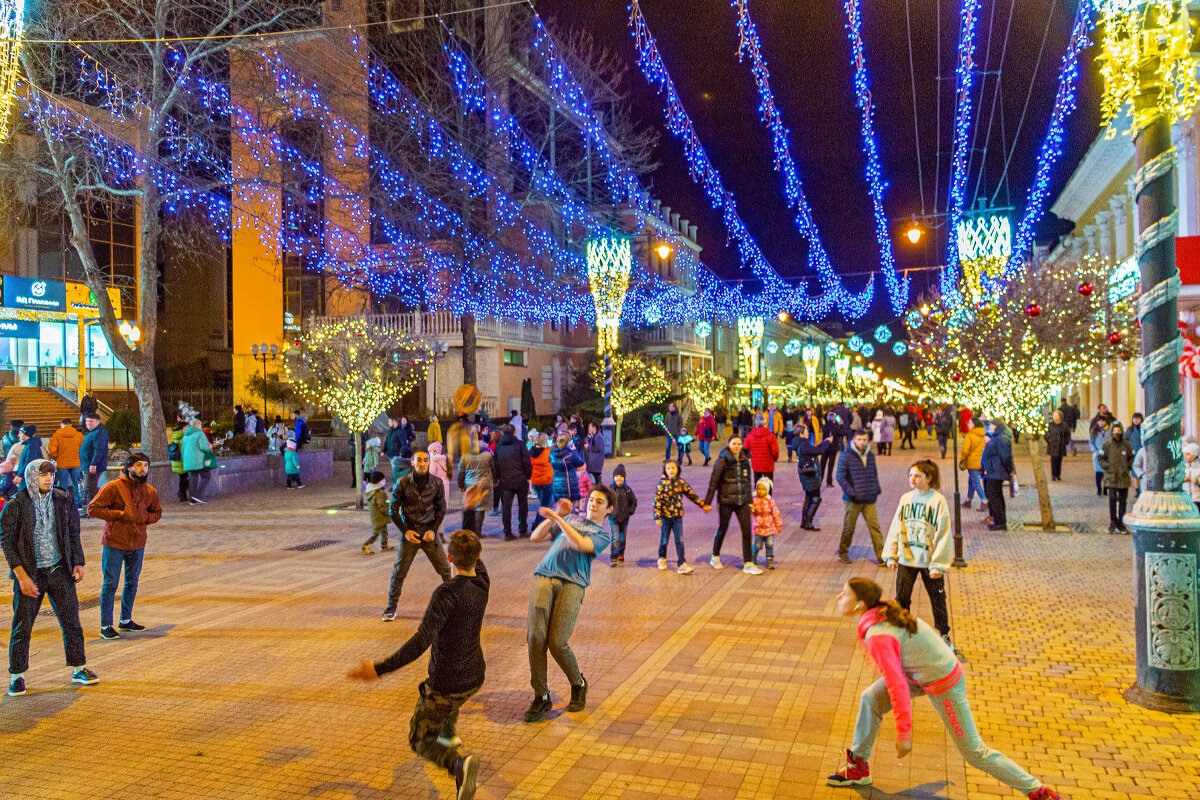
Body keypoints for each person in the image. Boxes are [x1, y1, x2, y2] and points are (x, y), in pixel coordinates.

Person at [825, 579, 1062, 800]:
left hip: (943, 682)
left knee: (974, 752)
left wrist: (904, 734)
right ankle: (858, 767)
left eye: (845, 594)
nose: (839, 597)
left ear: (860, 604)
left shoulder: (877, 634)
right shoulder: (876, 615)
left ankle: (1038, 791)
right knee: (870, 698)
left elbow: (896, 685)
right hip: (921, 674)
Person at [347, 528, 488, 800]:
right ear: (479, 556)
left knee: (419, 739)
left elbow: (421, 641)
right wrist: (469, 512)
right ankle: (449, 734)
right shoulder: (483, 582)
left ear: (448, 558)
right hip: (475, 676)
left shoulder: (447, 594)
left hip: (447, 684)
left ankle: (458, 764)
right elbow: (473, 556)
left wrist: (378, 669)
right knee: (450, 704)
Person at [2, 459, 98, 696]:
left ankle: (79, 668)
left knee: (72, 622)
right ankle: (17, 675)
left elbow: (73, 532)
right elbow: (7, 543)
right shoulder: (16, 504)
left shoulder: (63, 500)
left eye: (51, 474)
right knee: (22, 626)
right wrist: (21, 576)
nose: (48, 478)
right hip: (30, 575)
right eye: (43, 474)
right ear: (31, 476)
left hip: (59, 571)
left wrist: (78, 561)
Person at [524, 489, 615, 723]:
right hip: (545, 575)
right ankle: (541, 696)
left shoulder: (602, 535)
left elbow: (579, 544)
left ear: (609, 510)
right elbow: (536, 537)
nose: (593, 505)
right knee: (536, 636)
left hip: (573, 583)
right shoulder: (571, 519)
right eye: (591, 500)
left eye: (600, 502)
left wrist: (558, 519)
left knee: (557, 641)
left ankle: (578, 683)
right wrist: (556, 515)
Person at [87, 452, 162, 639]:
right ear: (129, 467)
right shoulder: (114, 487)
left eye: (145, 465)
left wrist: (145, 518)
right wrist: (118, 515)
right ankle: (106, 625)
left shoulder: (150, 491)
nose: (142, 469)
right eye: (138, 465)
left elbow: (157, 513)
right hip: (115, 542)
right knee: (111, 583)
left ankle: (126, 620)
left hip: (137, 543)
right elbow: (92, 509)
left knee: (132, 582)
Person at [883, 460, 952, 647]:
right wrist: (891, 554)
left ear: (929, 478)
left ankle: (944, 633)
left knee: (937, 598)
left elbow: (943, 533)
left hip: (929, 561)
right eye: (910, 475)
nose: (912, 479)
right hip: (907, 558)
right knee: (902, 598)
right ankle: (900, 630)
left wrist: (939, 564)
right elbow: (896, 526)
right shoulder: (906, 499)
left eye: (917, 475)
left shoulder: (938, 501)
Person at [382, 450, 452, 621]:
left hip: (429, 533)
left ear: (429, 462)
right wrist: (405, 531)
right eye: (419, 460)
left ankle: (453, 604)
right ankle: (391, 607)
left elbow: (441, 509)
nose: (422, 463)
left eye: (425, 460)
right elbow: (393, 510)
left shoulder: (436, 483)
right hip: (411, 533)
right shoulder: (403, 483)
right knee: (400, 571)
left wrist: (433, 530)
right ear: (412, 462)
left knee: (445, 570)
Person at [703, 435, 761, 575]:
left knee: (747, 531)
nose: (736, 446)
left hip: (742, 502)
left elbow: (748, 483)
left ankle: (748, 563)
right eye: (734, 443)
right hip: (726, 501)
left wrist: (750, 502)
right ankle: (715, 556)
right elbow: (714, 482)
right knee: (723, 528)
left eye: (739, 444)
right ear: (728, 444)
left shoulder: (745, 460)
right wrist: (707, 503)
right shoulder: (722, 461)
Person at [835, 429, 884, 565]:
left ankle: (881, 557)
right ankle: (843, 552)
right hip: (853, 500)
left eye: (864, 440)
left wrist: (876, 488)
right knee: (849, 527)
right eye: (859, 439)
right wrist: (851, 492)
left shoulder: (871, 455)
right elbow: (840, 477)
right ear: (854, 440)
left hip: (869, 498)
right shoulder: (846, 455)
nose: (862, 442)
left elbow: (873, 473)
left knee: (875, 528)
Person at [653, 460, 707, 574]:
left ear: (677, 469)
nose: (671, 470)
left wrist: (703, 504)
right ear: (665, 470)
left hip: (677, 517)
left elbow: (692, 495)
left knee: (680, 541)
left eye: (673, 468)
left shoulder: (681, 482)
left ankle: (681, 563)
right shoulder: (662, 484)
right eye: (668, 468)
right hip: (665, 517)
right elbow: (657, 501)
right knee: (664, 540)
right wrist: (657, 517)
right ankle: (661, 558)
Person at [494, 425, 532, 541]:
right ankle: (523, 530)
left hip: (506, 481)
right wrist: (527, 475)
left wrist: (499, 477)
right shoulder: (520, 444)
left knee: (506, 506)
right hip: (520, 479)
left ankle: (507, 532)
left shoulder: (498, 447)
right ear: (514, 432)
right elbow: (526, 461)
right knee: (522, 505)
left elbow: (496, 464)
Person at [458, 432, 496, 537]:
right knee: (481, 508)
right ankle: (478, 531)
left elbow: (461, 471)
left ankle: (471, 531)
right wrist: (496, 480)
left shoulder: (465, 455)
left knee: (470, 506)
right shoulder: (488, 454)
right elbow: (493, 468)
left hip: (470, 483)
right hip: (484, 483)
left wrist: (460, 484)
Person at [795, 423, 832, 531]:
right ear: (801, 433)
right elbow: (818, 451)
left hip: (806, 474)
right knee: (815, 498)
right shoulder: (803, 444)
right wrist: (828, 443)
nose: (808, 432)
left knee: (809, 497)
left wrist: (824, 442)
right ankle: (808, 522)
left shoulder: (802, 443)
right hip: (810, 475)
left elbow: (815, 449)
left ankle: (804, 521)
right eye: (806, 431)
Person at [1099, 421, 1134, 534]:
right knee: (1112, 499)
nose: (1116, 432)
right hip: (1111, 477)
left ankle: (1121, 522)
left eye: (1118, 431)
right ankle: (1113, 522)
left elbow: (1131, 457)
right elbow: (1101, 458)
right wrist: (1107, 466)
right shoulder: (1107, 445)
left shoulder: (1126, 444)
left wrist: (1128, 466)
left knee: (1123, 501)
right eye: (1114, 430)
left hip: (1123, 476)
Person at [981, 421, 1015, 531]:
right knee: (996, 496)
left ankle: (1000, 522)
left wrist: (1010, 470)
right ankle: (999, 521)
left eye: (991, 425)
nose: (989, 426)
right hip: (993, 471)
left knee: (994, 496)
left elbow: (1006, 456)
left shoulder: (1001, 438)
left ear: (996, 426)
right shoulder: (998, 436)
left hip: (996, 471)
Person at [48, 419, 84, 505]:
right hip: (76, 463)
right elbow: (83, 449)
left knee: (63, 485)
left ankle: (62, 502)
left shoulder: (56, 435)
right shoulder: (79, 435)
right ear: (71, 425)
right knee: (76, 484)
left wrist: (57, 458)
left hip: (62, 464)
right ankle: (77, 502)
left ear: (61, 424)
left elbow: (52, 450)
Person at [750, 477, 782, 570]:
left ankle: (769, 559)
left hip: (769, 528)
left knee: (770, 544)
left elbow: (776, 513)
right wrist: (752, 510)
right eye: (759, 488)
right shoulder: (754, 501)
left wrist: (778, 525)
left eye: (763, 489)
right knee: (757, 545)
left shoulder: (770, 501)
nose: (760, 491)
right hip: (759, 528)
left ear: (767, 490)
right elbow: (751, 512)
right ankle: (752, 557)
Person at [608, 464, 637, 567]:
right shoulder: (610, 489)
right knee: (615, 538)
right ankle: (613, 557)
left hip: (624, 518)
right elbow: (606, 502)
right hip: (614, 518)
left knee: (622, 538)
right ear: (613, 478)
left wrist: (630, 511)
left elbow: (633, 501)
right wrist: (608, 512)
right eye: (616, 477)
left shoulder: (627, 490)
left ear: (624, 478)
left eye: (621, 477)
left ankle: (621, 553)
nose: (618, 479)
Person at [79, 414, 110, 506]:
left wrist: (94, 464)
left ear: (97, 421)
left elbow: (99, 449)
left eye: (91, 421)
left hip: (92, 466)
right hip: (87, 465)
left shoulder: (99, 433)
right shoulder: (91, 433)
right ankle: (91, 507)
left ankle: (103, 502)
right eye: (87, 421)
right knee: (88, 487)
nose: (89, 423)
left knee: (90, 487)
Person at [182, 419, 215, 503]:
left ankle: (192, 499)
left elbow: (183, 449)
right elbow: (204, 447)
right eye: (200, 425)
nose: (201, 427)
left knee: (193, 479)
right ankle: (197, 496)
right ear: (197, 425)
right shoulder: (200, 434)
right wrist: (210, 447)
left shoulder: (186, 435)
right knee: (206, 476)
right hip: (198, 460)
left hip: (188, 460)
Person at [958, 416, 986, 510]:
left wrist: (962, 459)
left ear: (974, 424)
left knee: (975, 482)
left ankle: (984, 500)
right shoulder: (983, 434)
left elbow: (965, 450)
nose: (968, 424)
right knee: (971, 481)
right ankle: (968, 499)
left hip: (972, 462)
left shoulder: (970, 435)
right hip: (980, 461)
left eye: (969, 423)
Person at [745, 414, 779, 489]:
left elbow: (746, 449)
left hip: (756, 464)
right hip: (768, 464)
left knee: (757, 485)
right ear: (765, 423)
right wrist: (774, 459)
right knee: (768, 485)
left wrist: (752, 456)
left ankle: (757, 500)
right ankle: (768, 499)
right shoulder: (770, 435)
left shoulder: (749, 435)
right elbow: (775, 450)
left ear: (755, 423)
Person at [362, 471, 393, 553]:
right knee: (376, 533)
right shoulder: (378, 493)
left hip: (376, 515)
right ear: (379, 481)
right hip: (379, 515)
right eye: (383, 479)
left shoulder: (371, 490)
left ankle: (384, 546)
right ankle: (366, 545)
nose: (384, 481)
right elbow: (381, 505)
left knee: (384, 531)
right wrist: (388, 513)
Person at [549, 434, 584, 505]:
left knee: (561, 507)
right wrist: (575, 451)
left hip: (557, 484)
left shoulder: (552, 454)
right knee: (568, 508)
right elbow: (581, 462)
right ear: (568, 442)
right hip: (568, 485)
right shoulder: (570, 454)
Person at [529, 433, 554, 529]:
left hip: (535, 481)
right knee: (545, 505)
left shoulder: (531, 452)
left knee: (543, 502)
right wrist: (551, 445)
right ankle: (537, 523)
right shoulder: (547, 452)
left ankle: (544, 523)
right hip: (546, 481)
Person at [13, 425, 43, 492]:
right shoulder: (29, 444)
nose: (18, 435)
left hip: (29, 478)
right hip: (27, 477)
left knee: (24, 496)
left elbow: (29, 462)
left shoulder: (32, 445)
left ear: (26, 434)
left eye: (20, 433)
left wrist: (20, 476)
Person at [1044, 411, 1070, 482]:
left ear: (1060, 416)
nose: (1055, 417)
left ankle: (1058, 475)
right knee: (1053, 460)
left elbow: (1067, 435)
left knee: (1059, 460)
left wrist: (1065, 442)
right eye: (1054, 416)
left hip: (1061, 446)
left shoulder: (1064, 425)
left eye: (1056, 416)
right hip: (1053, 446)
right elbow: (1046, 435)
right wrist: (1050, 441)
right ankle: (1053, 475)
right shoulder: (1050, 425)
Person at [822, 412, 845, 487]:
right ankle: (829, 482)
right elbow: (843, 433)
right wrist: (841, 425)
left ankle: (820, 480)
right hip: (833, 448)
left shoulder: (824, 426)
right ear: (834, 419)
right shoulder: (836, 427)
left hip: (825, 447)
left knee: (822, 464)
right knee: (830, 465)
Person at [169, 421, 189, 502]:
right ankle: (182, 494)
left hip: (177, 461)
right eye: (187, 427)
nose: (188, 428)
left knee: (183, 478)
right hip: (182, 462)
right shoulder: (183, 437)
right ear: (183, 428)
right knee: (186, 478)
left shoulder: (176, 436)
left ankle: (181, 493)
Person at [1089, 419, 1110, 497]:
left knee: (1106, 472)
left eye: (1103, 421)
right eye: (1099, 421)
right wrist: (1096, 451)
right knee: (1098, 472)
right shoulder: (1094, 431)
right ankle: (1099, 489)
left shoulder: (1108, 431)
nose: (1101, 422)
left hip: (1107, 455)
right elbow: (1091, 442)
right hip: (1097, 454)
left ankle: (1105, 489)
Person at [1184, 443, 1200, 511]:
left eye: (1188, 454)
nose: (1185, 456)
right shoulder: (1183, 466)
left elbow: (1196, 480)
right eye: (1184, 454)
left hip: (1197, 499)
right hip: (1186, 500)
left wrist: (1197, 480)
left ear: (1194, 455)